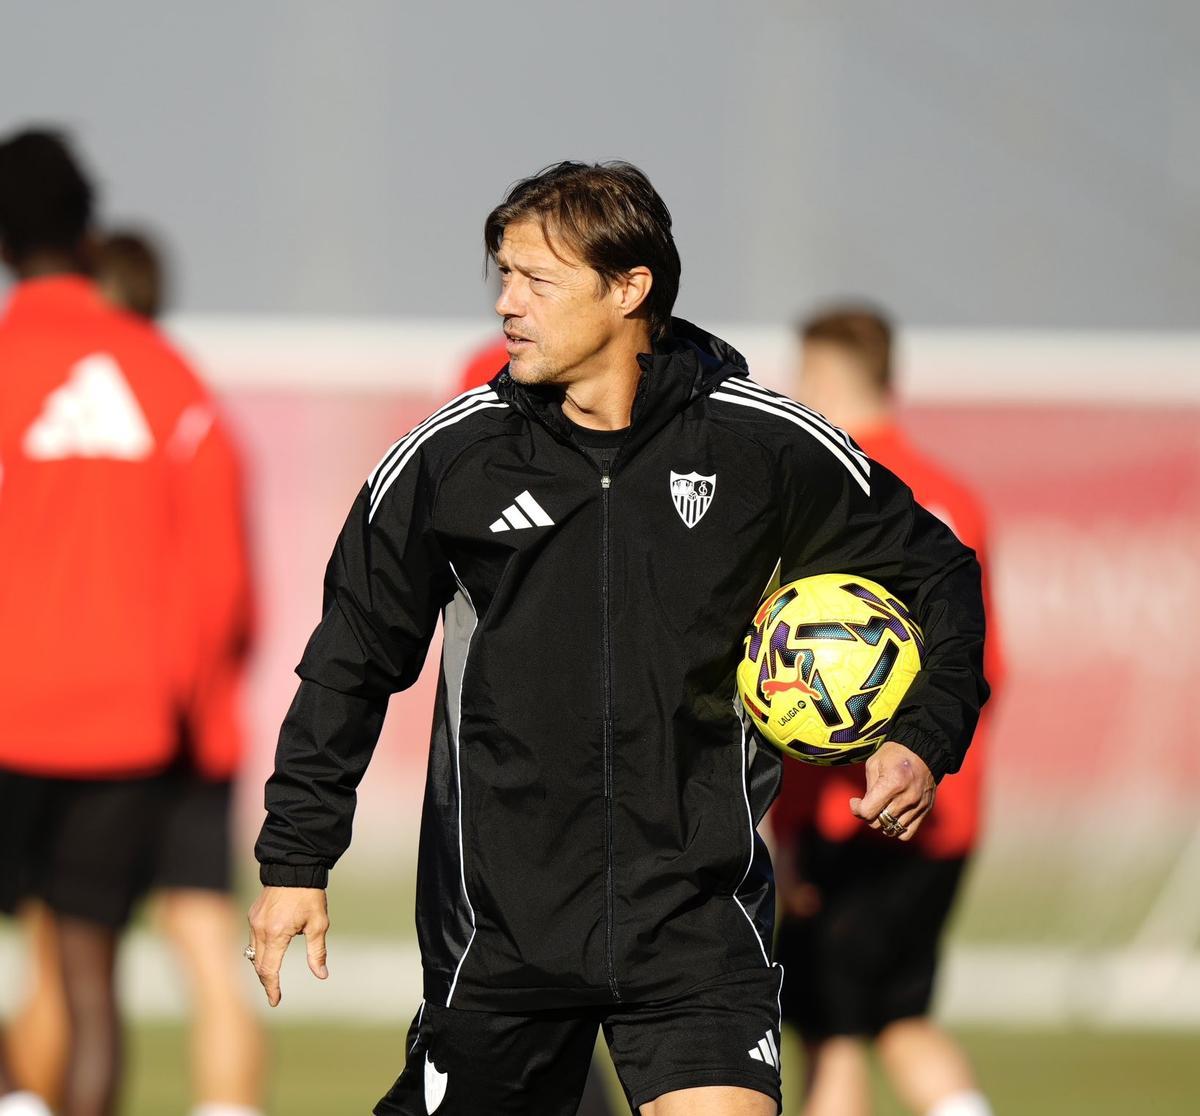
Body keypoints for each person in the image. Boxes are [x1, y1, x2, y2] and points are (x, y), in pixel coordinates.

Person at [247, 161, 989, 1116]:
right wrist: (296, 861)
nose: (507, 304)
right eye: (502, 276)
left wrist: (921, 737)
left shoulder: (758, 444)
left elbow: (941, 573)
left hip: (696, 920)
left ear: (629, 288)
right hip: (502, 933)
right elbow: (348, 662)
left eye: (536, 280)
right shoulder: (451, 459)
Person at [0, 129, 245, 1116]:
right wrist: (187, 709)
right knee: (92, 980)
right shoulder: (168, 380)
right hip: (125, 727)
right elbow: (221, 576)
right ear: (89, 230)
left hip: (9, 715)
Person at [770, 305, 1004, 1116]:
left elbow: (802, 687)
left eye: (800, 379)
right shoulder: (952, 498)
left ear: (826, 381)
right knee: (900, 1019)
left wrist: (786, 826)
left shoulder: (832, 497)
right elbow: (981, 669)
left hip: (850, 815)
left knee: (831, 1033)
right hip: (945, 812)